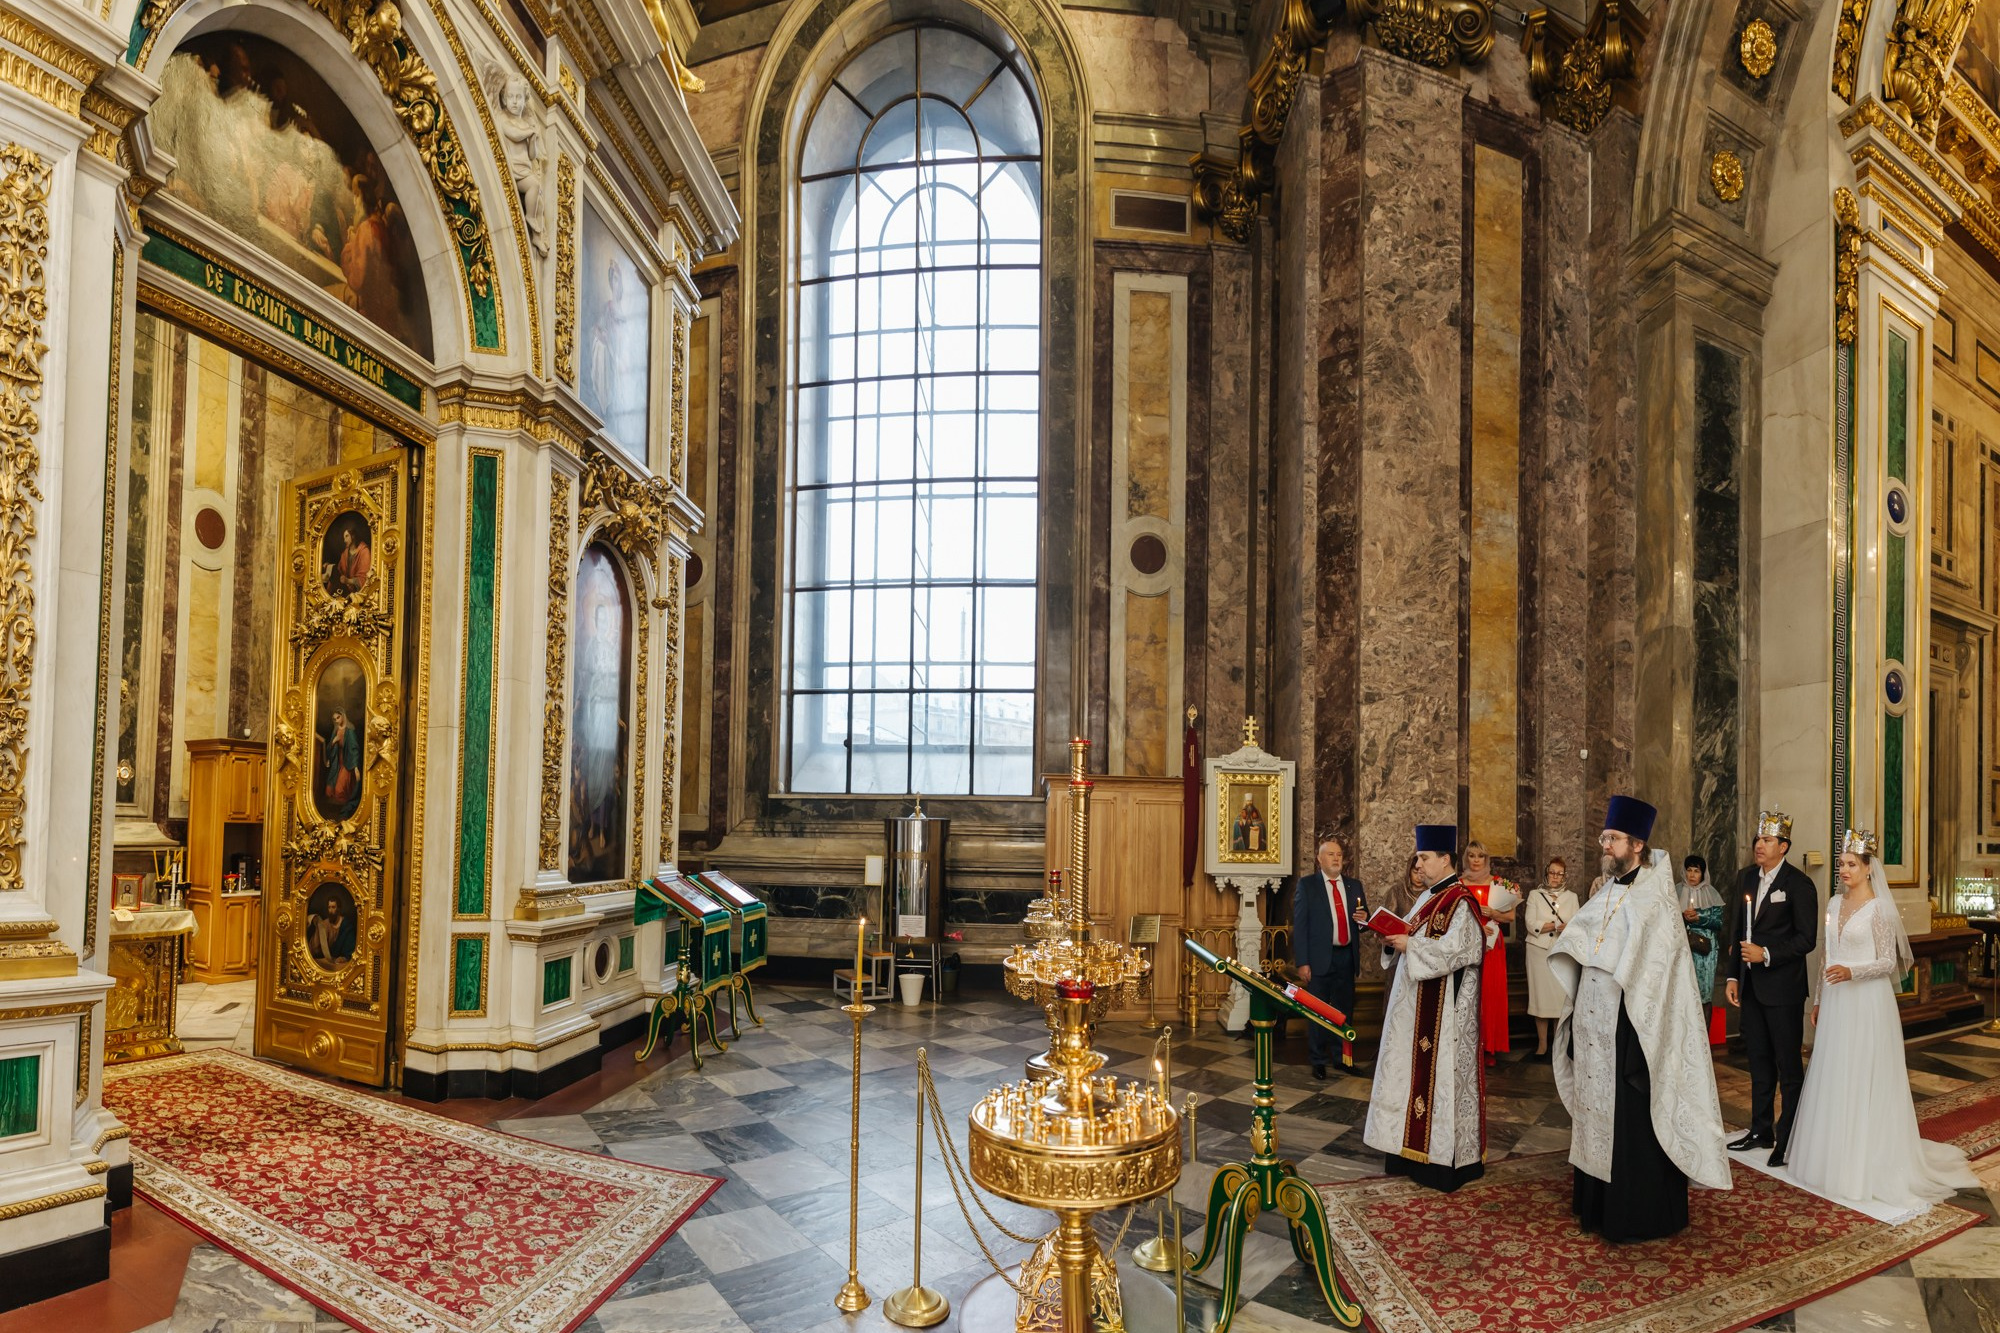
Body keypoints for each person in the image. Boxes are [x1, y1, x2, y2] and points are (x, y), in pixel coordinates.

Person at [1550, 796, 1731, 1241]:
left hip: (1631, 1029)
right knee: (1596, 1116)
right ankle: (1595, 1205)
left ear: (1636, 843)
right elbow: (1585, 941)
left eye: (1611, 839)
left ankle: (1634, 1213)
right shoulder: (1608, 890)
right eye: (1604, 838)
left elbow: (1657, 970)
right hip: (1595, 1022)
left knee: (1629, 1121)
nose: (1604, 846)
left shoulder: (1655, 898)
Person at [1784, 830, 1979, 1218]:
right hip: (1837, 1000)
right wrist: (1820, 998)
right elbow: (1827, 955)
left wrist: (1852, 972)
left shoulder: (1879, 911)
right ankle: (1832, 1156)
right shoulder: (1834, 902)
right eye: (1841, 863)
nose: (1843, 870)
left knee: (1864, 1075)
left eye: (1851, 864)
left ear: (1869, 869)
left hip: (1866, 1002)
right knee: (1835, 1074)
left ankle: (1866, 1162)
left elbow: (1888, 963)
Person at [1364, 823, 1486, 1193]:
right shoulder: (1428, 897)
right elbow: (1412, 934)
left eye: (1424, 857)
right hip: (1413, 1009)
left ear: (1445, 859)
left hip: (1441, 1016)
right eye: (1418, 857)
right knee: (1406, 1077)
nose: (1418, 864)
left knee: (1434, 1083)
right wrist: (1393, 940)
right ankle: (1405, 1153)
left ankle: (1438, 1163)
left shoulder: (1460, 901)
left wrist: (1409, 947)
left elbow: (1465, 951)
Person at [1723, 810, 1819, 1165]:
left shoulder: (1798, 884)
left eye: (1766, 841)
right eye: (1757, 840)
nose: (1758, 845)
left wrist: (1766, 953)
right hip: (1751, 989)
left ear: (1784, 846)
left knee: (1788, 1065)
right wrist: (1734, 976)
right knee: (1759, 1063)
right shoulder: (1746, 877)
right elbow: (1736, 931)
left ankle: (1788, 1137)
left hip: (1783, 991)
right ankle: (1760, 1129)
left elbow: (1806, 939)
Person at [1293, 834, 1369, 1079]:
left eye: (1339, 855)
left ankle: (1342, 1058)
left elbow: (1363, 921)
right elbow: (1300, 925)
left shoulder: (1354, 885)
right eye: (1330, 854)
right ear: (1319, 859)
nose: (1336, 859)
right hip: (1318, 960)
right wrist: (1303, 962)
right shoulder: (1308, 885)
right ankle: (1318, 1060)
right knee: (1318, 1011)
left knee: (1344, 1011)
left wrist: (1363, 921)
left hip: (1346, 957)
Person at [1462, 841, 1517, 1065]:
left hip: (1493, 945)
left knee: (1490, 993)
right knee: (1469, 994)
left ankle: (1489, 1047)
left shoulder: (1499, 884)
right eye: (1472, 856)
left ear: (1487, 860)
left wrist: (1493, 912)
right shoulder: (1458, 884)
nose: (1476, 860)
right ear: (1467, 859)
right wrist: (1475, 924)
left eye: (1480, 856)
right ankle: (1468, 1045)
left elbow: (1510, 917)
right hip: (1468, 944)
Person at [1522, 858, 1577, 1058]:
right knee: (1540, 999)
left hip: (1561, 952)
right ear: (1547, 873)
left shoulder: (1572, 897)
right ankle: (1542, 1044)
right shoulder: (1535, 895)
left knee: (1560, 1000)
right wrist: (1554, 925)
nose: (1555, 877)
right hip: (1538, 952)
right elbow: (1530, 924)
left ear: (1564, 875)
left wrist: (1563, 926)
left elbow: (1576, 924)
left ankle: (1559, 1045)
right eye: (1552, 872)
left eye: (1559, 873)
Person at [1679, 855, 1726, 1045]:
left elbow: (1719, 922)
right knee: (1683, 992)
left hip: (1705, 950)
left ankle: (1702, 1041)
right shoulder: (1676, 891)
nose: (1692, 875)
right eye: (1689, 870)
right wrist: (1683, 918)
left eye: (1696, 870)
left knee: (1703, 993)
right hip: (1682, 946)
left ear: (1703, 873)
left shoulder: (1711, 893)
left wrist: (1698, 918)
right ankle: (1683, 1038)